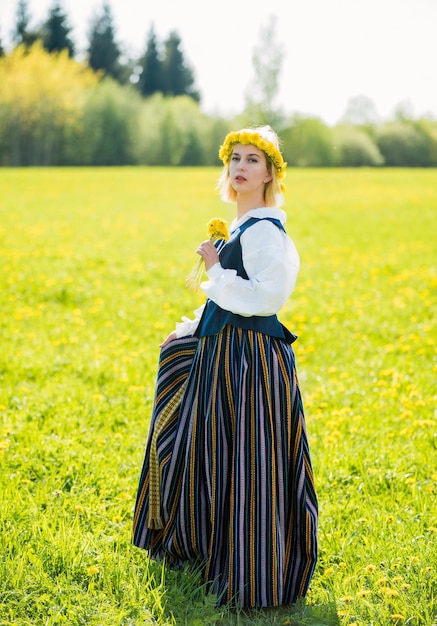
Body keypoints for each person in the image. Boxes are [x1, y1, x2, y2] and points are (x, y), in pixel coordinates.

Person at [132, 125, 318, 609]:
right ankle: (206, 544)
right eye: (235, 158)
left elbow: (267, 298)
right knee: (214, 450)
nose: (240, 167)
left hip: (248, 361)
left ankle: (253, 567)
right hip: (223, 351)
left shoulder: (264, 230)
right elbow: (225, 301)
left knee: (247, 459)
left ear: (270, 173)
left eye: (253, 160)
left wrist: (215, 268)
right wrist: (188, 328)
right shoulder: (242, 226)